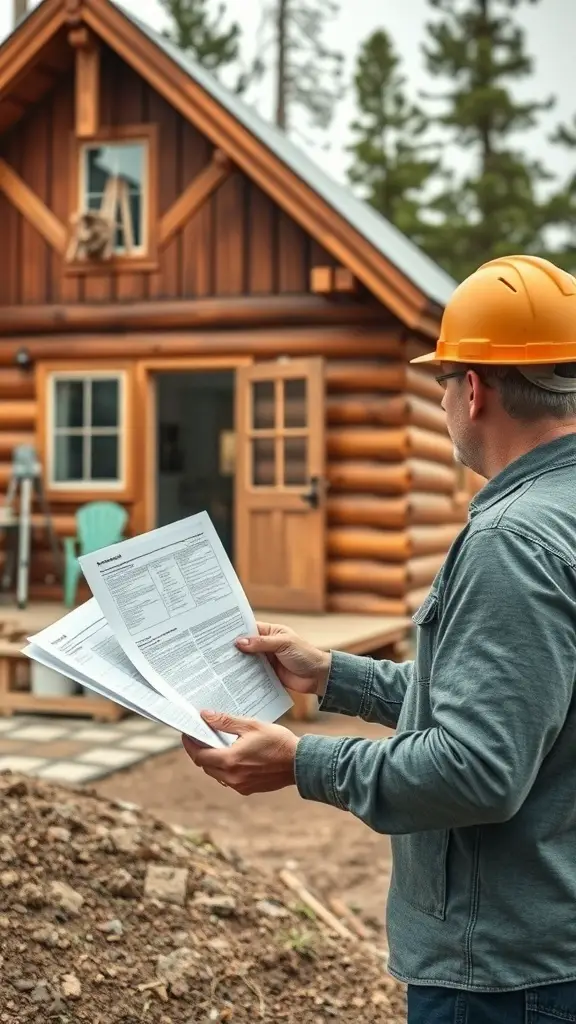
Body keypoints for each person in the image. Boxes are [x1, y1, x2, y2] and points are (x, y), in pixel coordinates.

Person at [183, 254, 576, 1023]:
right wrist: (331, 673)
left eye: (440, 384)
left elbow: (477, 769)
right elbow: (515, 700)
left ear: (472, 389)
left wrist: (302, 761)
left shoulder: (513, 539)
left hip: (504, 975)